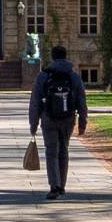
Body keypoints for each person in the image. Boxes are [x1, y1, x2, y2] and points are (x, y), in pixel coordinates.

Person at [28, 45, 88, 200]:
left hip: (49, 118)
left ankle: (54, 186)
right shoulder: (73, 76)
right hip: (68, 119)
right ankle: (62, 185)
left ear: (53, 57)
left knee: (51, 151)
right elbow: (82, 100)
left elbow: (35, 102)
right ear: (66, 56)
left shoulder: (43, 76)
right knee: (64, 150)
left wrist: (33, 124)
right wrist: (82, 122)